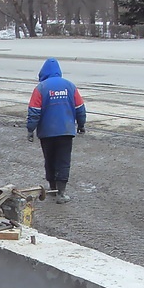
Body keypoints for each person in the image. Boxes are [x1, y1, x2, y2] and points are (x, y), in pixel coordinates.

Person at [27, 58, 86, 203]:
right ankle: (61, 193)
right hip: (66, 131)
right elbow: (80, 108)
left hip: (47, 133)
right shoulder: (70, 86)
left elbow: (34, 111)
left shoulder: (41, 88)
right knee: (63, 160)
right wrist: (81, 125)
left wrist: (30, 129)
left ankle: (52, 189)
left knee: (50, 159)